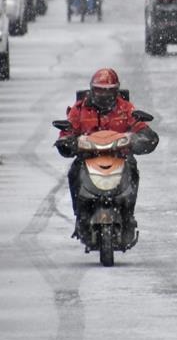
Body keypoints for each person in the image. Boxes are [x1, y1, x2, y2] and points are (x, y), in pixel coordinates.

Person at [54, 68, 158, 235]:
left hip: (120, 157)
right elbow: (69, 129)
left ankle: (128, 214)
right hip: (87, 158)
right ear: (91, 90)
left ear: (116, 91)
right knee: (74, 172)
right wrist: (67, 141)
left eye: (108, 91)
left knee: (132, 169)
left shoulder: (125, 108)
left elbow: (140, 127)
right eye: (99, 91)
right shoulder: (79, 109)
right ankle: (80, 215)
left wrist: (143, 137)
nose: (103, 95)